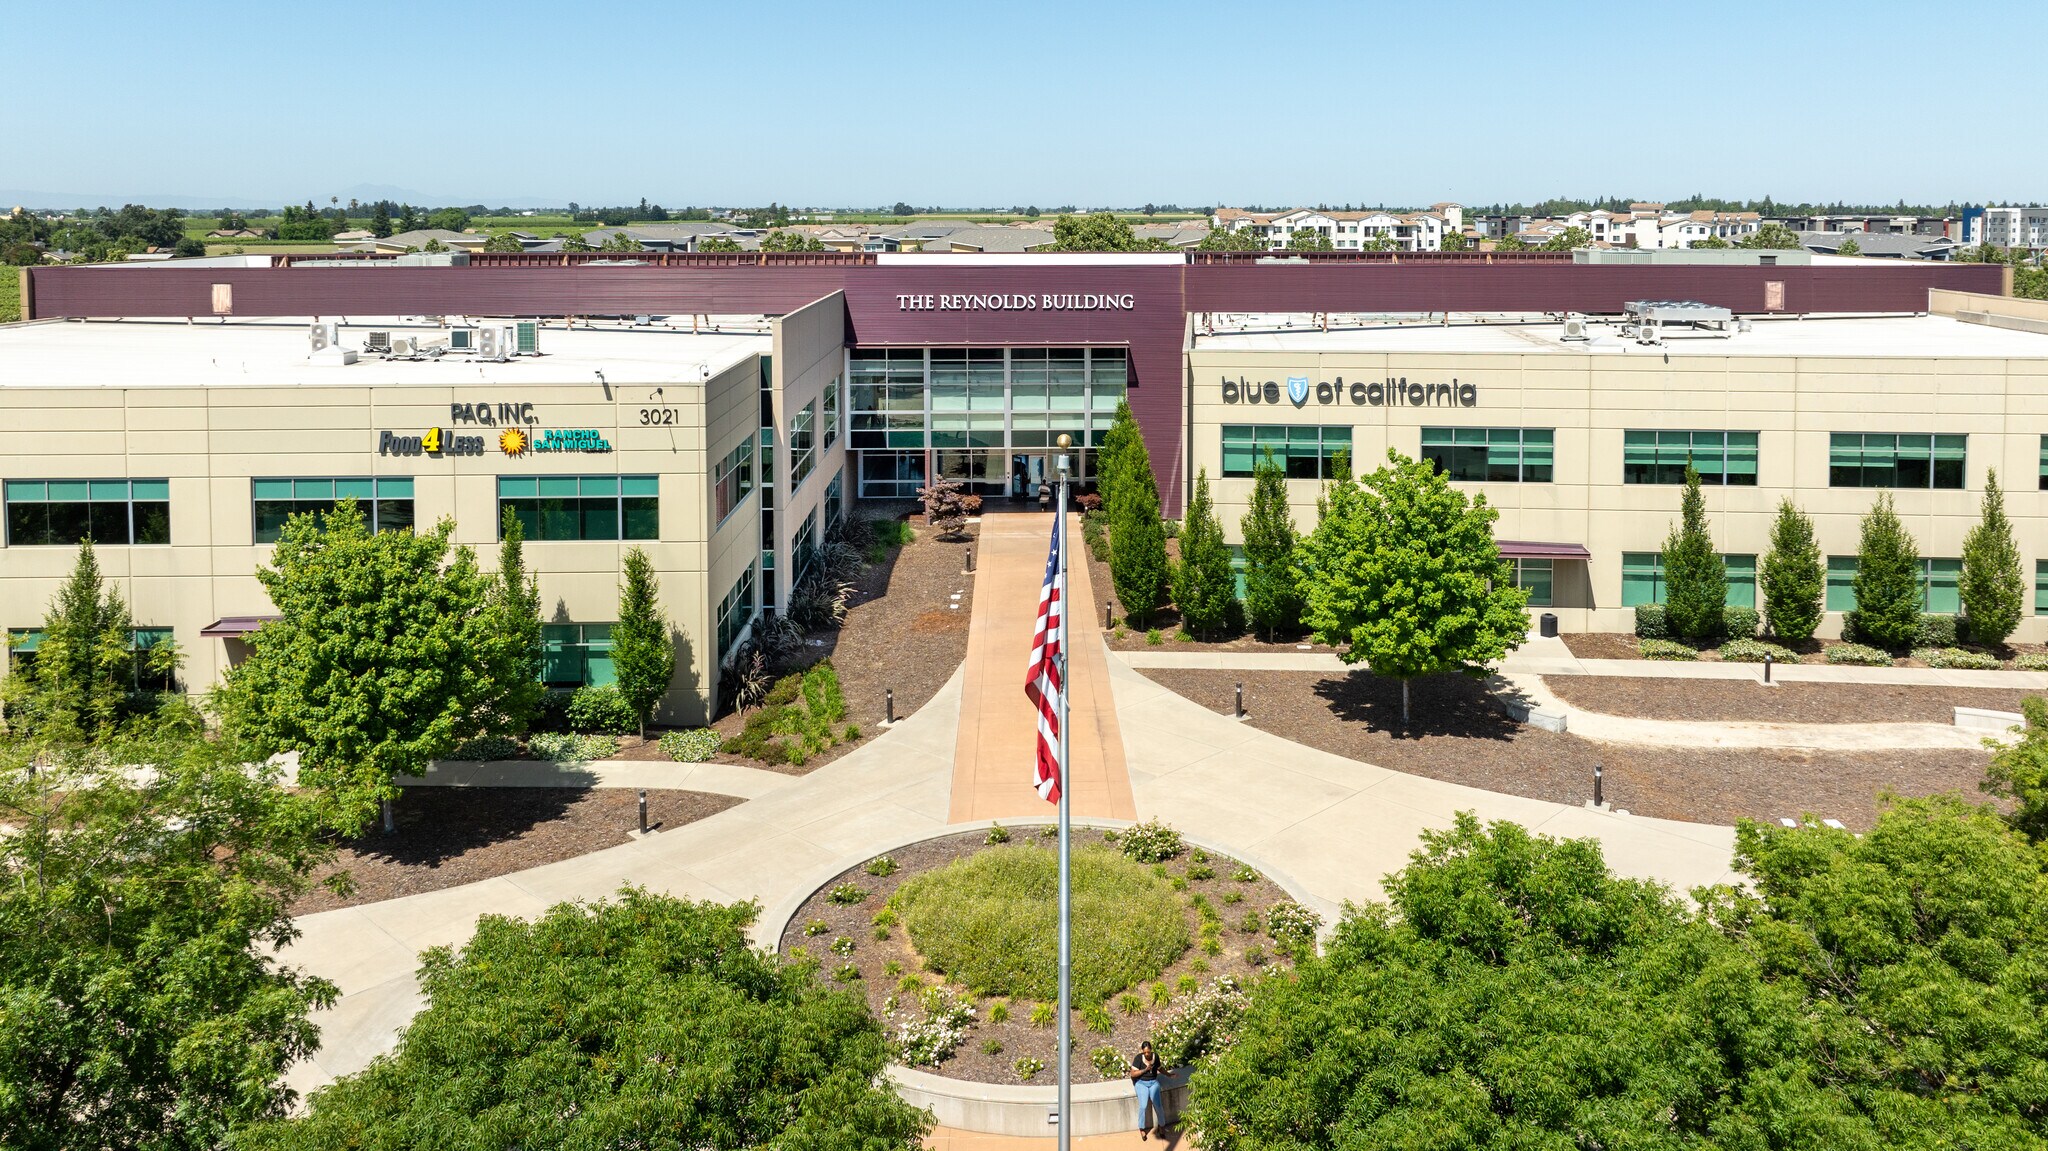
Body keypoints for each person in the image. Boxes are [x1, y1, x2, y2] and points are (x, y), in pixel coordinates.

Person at [1129, 1040, 1167, 1138]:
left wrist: (1169, 1074)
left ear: (1151, 1050)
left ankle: (1162, 1125)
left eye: (1148, 1052)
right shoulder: (1138, 1058)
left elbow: (1160, 1068)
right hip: (1141, 1083)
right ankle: (1142, 1128)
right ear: (1142, 1051)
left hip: (1153, 1082)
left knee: (1158, 1105)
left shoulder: (1155, 1056)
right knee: (1143, 1105)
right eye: (1145, 1052)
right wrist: (1145, 1070)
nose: (1146, 1054)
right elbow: (1133, 1074)